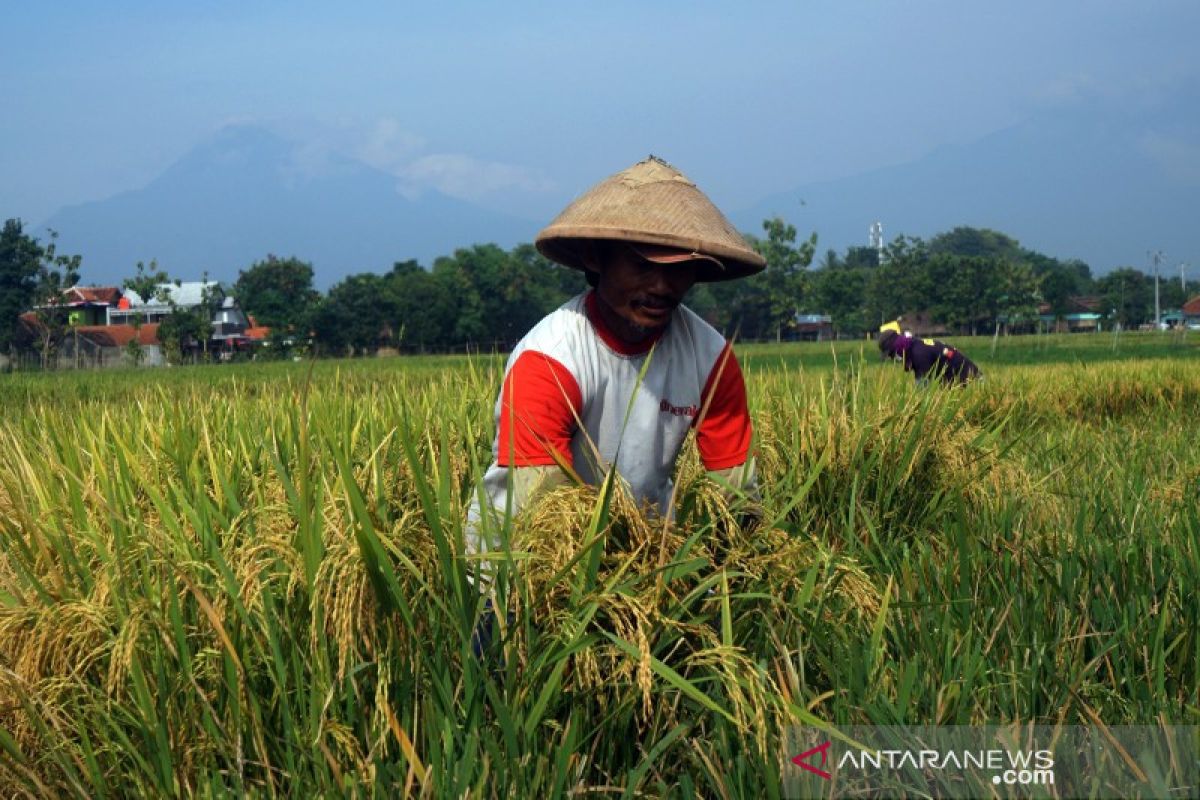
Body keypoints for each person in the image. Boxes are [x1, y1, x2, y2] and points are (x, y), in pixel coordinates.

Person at [467, 156, 765, 588]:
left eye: (679, 269)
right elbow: (543, 512)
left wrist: (743, 572)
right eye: (643, 265)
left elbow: (736, 490)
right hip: (519, 567)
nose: (662, 287)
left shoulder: (711, 358)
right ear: (597, 257)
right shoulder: (550, 359)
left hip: (643, 558)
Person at [877, 319, 981, 385]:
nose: (892, 358)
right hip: (956, 381)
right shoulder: (915, 346)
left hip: (971, 380)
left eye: (891, 353)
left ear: (898, 348)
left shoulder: (919, 354)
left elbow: (923, 389)